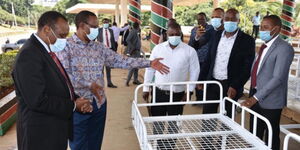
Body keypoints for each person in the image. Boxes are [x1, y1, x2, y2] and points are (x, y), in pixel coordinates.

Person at [56, 10, 169, 150]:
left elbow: (121, 60)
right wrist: (89, 85)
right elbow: (64, 77)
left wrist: (149, 63)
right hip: (78, 105)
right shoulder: (65, 47)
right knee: (79, 145)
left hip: (99, 103)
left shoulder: (98, 47)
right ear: (81, 25)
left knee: (95, 143)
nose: (96, 30)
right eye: (94, 26)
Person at [12, 11, 92, 150]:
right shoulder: (29, 54)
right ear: (47, 29)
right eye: (61, 36)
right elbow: (37, 100)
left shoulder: (45, 51)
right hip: (40, 135)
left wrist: (76, 99)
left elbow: (57, 85)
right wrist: (73, 105)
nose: (64, 41)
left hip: (52, 131)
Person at [143, 23, 200, 149]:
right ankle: (158, 146)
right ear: (166, 35)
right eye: (171, 34)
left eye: (177, 34)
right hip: (159, 92)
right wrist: (146, 88)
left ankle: (169, 148)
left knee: (174, 125)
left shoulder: (189, 51)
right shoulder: (158, 49)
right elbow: (150, 69)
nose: (174, 36)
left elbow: (195, 71)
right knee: (157, 123)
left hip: (178, 94)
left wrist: (189, 91)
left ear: (181, 34)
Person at [242, 15, 294, 150]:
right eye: (261, 27)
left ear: (276, 29)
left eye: (266, 27)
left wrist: (255, 98)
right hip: (255, 93)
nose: (261, 30)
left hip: (271, 99)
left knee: (271, 135)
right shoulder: (264, 46)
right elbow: (258, 69)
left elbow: (278, 78)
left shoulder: (284, 48)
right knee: (254, 132)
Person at [199, 8, 255, 118]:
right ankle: (207, 136)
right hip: (213, 82)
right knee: (208, 116)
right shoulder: (216, 35)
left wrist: (235, 85)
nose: (229, 21)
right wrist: (201, 79)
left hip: (231, 86)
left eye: (233, 19)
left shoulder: (247, 40)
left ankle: (224, 136)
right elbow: (208, 60)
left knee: (228, 118)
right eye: (227, 19)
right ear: (223, 20)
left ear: (238, 21)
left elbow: (247, 67)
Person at [190, 8, 225, 102]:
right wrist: (197, 36)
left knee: (226, 108)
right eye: (213, 17)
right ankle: (200, 99)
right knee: (209, 108)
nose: (215, 19)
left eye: (217, 17)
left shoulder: (210, 28)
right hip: (207, 66)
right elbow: (196, 45)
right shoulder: (210, 32)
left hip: (226, 77)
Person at [97, 18, 118, 88]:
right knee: (101, 69)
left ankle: (109, 83)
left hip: (109, 51)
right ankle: (101, 84)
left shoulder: (111, 31)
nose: (106, 23)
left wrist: (114, 51)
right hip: (101, 52)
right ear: (102, 23)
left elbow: (113, 41)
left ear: (109, 23)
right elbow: (92, 40)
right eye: (104, 22)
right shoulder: (98, 30)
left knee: (108, 68)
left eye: (107, 22)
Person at [126, 22, 142, 86]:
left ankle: (135, 80)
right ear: (138, 26)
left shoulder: (136, 32)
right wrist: (132, 47)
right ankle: (127, 81)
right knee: (132, 67)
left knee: (136, 67)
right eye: (139, 26)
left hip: (137, 52)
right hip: (134, 52)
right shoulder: (133, 32)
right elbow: (127, 40)